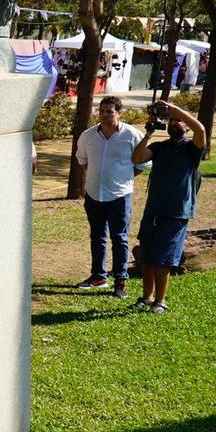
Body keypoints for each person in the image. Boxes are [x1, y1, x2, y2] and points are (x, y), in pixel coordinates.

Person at [131, 100, 206, 313]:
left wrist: (177, 110)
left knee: (163, 259)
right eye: (171, 120)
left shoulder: (192, 149)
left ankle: (160, 301)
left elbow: (200, 129)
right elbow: (137, 159)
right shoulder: (159, 147)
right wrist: (147, 134)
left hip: (176, 212)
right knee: (145, 255)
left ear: (185, 125)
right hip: (153, 208)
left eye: (179, 121)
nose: (174, 123)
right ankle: (147, 297)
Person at [75, 96, 145, 298]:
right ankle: (98, 277)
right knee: (97, 236)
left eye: (110, 111)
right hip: (94, 195)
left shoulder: (132, 135)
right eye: (102, 111)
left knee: (119, 238)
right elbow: (83, 160)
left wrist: (122, 179)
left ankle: (121, 281)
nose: (104, 115)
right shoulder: (88, 136)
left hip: (119, 196)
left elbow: (142, 164)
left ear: (119, 113)